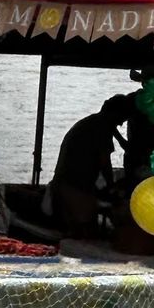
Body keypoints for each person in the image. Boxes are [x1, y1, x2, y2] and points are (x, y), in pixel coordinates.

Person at [48, 94, 135, 235]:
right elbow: (104, 161)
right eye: (121, 119)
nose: (121, 124)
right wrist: (111, 187)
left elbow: (114, 135)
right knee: (85, 233)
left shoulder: (95, 122)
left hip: (65, 182)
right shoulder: (102, 128)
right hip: (74, 187)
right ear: (115, 114)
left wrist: (119, 137)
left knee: (76, 231)